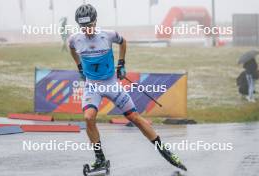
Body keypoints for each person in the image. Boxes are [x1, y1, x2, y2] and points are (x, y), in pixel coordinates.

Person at [68, 4, 187, 171]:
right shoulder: (74, 39)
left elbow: (123, 42)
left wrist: (121, 64)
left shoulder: (108, 35)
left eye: (89, 26)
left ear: (95, 22)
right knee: (88, 117)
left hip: (111, 84)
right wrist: (80, 67)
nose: (86, 30)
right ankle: (100, 158)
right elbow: (72, 49)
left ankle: (165, 151)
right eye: (82, 27)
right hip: (92, 86)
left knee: (135, 118)